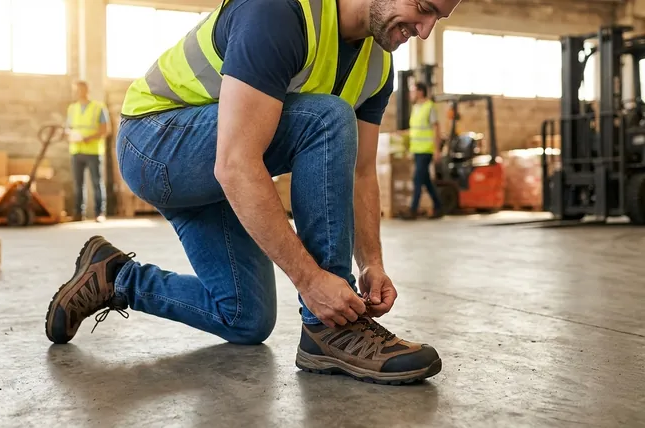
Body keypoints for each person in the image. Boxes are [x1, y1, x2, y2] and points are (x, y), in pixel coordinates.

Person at [45, 0, 461, 385]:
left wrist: (372, 263)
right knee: (327, 117)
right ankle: (331, 331)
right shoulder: (279, 11)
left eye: (437, 20)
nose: (425, 31)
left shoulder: (376, 66)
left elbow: (362, 172)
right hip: (156, 144)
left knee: (246, 319)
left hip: (213, 163)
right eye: (423, 8)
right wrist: (313, 282)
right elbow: (235, 163)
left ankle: (115, 278)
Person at [64, 81, 109, 222]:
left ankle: (99, 213)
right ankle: (78, 213)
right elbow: (68, 128)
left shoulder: (98, 107)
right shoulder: (72, 108)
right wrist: (70, 136)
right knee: (78, 184)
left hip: (93, 151)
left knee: (97, 182)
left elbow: (105, 130)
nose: (77, 92)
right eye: (75, 90)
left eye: (80, 89)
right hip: (76, 151)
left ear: (86, 90)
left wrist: (89, 138)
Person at [401, 81, 444, 220]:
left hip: (426, 150)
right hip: (417, 149)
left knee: (417, 179)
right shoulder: (416, 108)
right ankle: (439, 206)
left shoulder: (429, 107)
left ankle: (413, 210)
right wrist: (402, 133)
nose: (411, 93)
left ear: (420, 91)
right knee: (425, 180)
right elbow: (416, 129)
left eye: (413, 90)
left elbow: (436, 128)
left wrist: (437, 150)